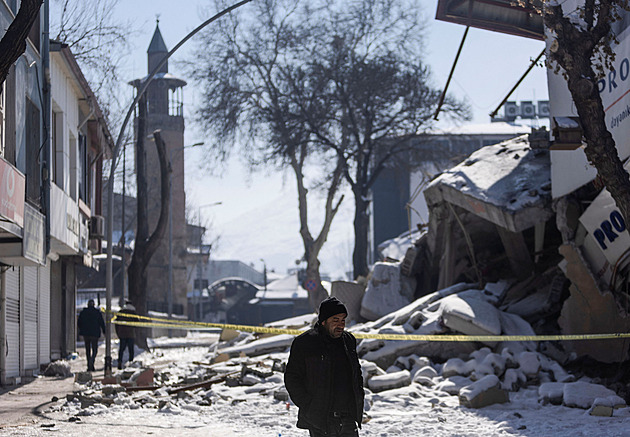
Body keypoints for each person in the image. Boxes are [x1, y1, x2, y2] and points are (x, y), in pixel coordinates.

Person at [285, 296, 365, 437]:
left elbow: (356, 374)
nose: (340, 325)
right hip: (320, 419)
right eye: (335, 320)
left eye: (343, 320)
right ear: (323, 321)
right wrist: (309, 405)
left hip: (348, 418)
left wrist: (358, 400)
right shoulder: (306, 343)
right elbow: (292, 378)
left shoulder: (348, 341)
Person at [77, 299, 106, 371]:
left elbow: (79, 323)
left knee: (87, 350)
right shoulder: (97, 312)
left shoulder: (83, 312)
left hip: (86, 334)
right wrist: (104, 331)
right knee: (94, 349)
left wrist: (82, 329)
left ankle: (89, 364)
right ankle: (91, 362)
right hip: (94, 334)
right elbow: (101, 322)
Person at [115, 300, 137, 369]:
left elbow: (116, 323)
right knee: (131, 349)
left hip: (122, 334)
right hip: (131, 334)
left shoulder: (121, 312)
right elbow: (137, 323)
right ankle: (131, 362)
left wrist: (118, 333)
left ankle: (120, 362)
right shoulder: (133, 313)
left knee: (121, 349)